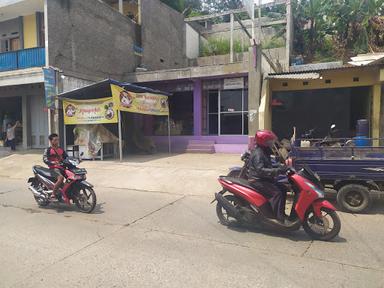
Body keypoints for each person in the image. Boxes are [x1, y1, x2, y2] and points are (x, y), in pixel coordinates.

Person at [248, 130, 288, 222]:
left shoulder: (264, 151)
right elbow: (261, 170)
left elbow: (268, 165)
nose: (271, 143)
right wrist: (277, 170)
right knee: (277, 193)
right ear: (264, 142)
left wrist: (281, 167)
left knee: (283, 188)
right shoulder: (258, 154)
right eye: (269, 141)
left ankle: (280, 213)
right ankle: (276, 218)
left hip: (264, 179)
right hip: (257, 180)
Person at [43, 133, 68, 199]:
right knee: (61, 178)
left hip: (62, 167)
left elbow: (67, 157)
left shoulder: (61, 149)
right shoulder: (48, 150)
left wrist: (76, 159)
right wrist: (52, 162)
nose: (57, 141)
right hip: (53, 168)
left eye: (58, 140)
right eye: (55, 140)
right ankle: (53, 193)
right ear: (51, 141)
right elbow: (45, 159)